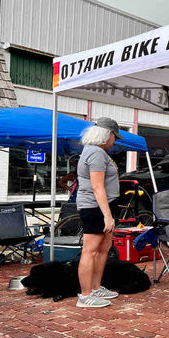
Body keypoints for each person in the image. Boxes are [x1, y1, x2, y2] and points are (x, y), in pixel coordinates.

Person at [76, 117, 123, 308]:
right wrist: (107, 215)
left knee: (103, 248)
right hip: (95, 207)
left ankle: (95, 288)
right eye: (114, 137)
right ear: (107, 135)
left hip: (104, 206)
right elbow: (97, 187)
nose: (115, 141)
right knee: (91, 250)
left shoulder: (97, 152)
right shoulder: (95, 153)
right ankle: (85, 295)